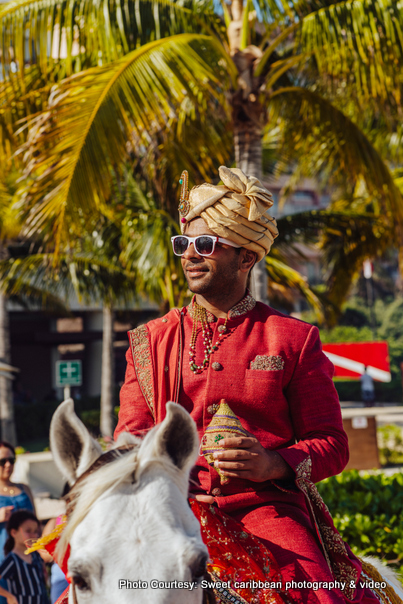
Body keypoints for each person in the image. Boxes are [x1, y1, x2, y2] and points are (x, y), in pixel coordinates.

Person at [115, 166, 382, 604]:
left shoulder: (293, 338)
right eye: (183, 245)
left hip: (266, 508)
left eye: (205, 245)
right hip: (171, 508)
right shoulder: (150, 341)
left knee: (318, 595)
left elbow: (333, 445)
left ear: (245, 258)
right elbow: (131, 440)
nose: (189, 256)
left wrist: (274, 463)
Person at [0, 510, 50, 604]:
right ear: (14, 532)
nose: (34, 535)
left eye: (35, 531)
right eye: (28, 531)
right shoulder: (12, 560)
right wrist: (9, 596)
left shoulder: (36, 555)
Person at [0, 443, 35, 564]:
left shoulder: (24, 488)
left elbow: (36, 522)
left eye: (11, 460)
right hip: (4, 559)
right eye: (2, 461)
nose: (8, 464)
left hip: (30, 556)